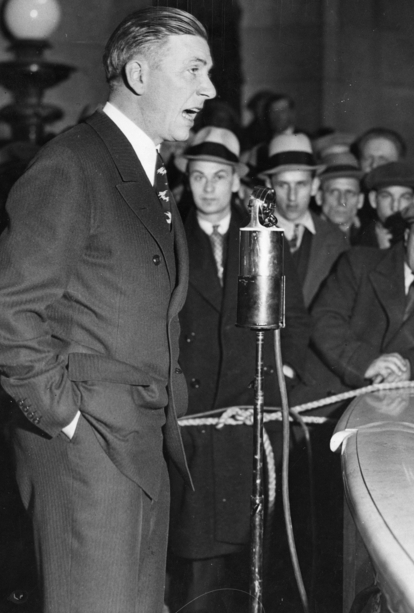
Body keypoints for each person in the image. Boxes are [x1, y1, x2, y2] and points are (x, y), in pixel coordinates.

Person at [0, 7, 216, 613]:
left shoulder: (144, 168)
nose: (209, 89)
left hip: (139, 443)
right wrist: (68, 418)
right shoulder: (73, 163)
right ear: (138, 74)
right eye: (193, 70)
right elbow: (4, 311)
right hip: (90, 453)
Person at [167, 126, 311, 613]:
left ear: (236, 182)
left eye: (219, 176)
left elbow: (296, 313)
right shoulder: (170, 240)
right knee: (197, 551)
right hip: (197, 415)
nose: (208, 187)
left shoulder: (264, 238)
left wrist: (284, 370)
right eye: (199, 175)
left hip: (252, 411)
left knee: (255, 549)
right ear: (188, 180)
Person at [310, 200, 414, 394]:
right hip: (335, 393)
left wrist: (410, 366)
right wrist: (365, 362)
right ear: (406, 237)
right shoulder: (360, 263)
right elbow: (324, 319)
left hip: (409, 399)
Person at [258, 133, 349, 307]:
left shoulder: (336, 240)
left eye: (301, 184)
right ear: (269, 186)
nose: (292, 197)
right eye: (283, 185)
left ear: (314, 186)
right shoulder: (250, 235)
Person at [359, 160, 414, 249]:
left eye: (404, 197)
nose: (395, 207)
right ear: (373, 199)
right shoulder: (360, 240)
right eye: (386, 196)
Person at [315, 151, 364, 243]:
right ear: (319, 197)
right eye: (334, 192)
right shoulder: (303, 238)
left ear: (360, 200)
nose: (342, 201)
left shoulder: (370, 238)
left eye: (349, 192)